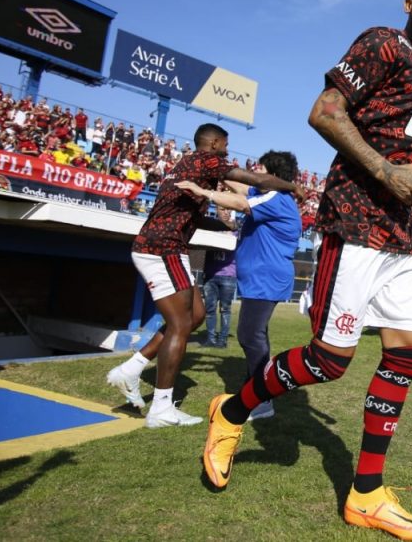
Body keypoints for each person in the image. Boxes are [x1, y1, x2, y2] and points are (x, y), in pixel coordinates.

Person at [201, 0, 412, 541]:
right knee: (330, 362)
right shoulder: (381, 42)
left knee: (408, 353)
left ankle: (365, 493)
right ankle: (232, 412)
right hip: (356, 224)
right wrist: (385, 173)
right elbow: (324, 112)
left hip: (400, 238)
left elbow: (403, 170)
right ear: (409, 2)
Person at [104, 123, 304, 429]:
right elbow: (245, 187)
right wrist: (289, 186)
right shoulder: (210, 164)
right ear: (214, 144)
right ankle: (159, 404)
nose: (229, 150)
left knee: (200, 318)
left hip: (188, 254)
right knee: (190, 324)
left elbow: (242, 194)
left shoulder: (260, 192)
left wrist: (208, 196)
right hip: (163, 248)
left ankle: (259, 398)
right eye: (225, 144)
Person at [179, 150, 302, 422]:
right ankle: (256, 392)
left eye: (260, 170)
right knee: (256, 336)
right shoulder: (272, 196)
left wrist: (203, 190)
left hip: (266, 277)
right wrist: (219, 173)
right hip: (262, 277)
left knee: (249, 335)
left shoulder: (275, 198)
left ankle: (260, 399)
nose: (254, 173)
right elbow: (244, 188)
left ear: (272, 176)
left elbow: (240, 201)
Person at [200, 198, 238, 349]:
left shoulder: (236, 228)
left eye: (229, 209)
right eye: (222, 209)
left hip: (228, 274)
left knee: (225, 309)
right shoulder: (210, 227)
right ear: (217, 211)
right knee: (209, 309)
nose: (226, 212)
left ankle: (222, 340)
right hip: (211, 274)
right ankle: (210, 338)